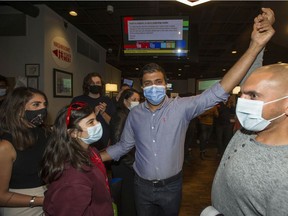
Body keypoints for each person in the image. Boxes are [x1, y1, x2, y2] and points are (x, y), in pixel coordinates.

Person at [100, 8, 275, 216]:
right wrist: (91, 157)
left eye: (158, 82)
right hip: (142, 186)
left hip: (171, 187)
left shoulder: (181, 107)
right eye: (148, 84)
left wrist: (255, 47)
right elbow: (123, 146)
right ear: (142, 87)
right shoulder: (135, 115)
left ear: (166, 85)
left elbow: (219, 91)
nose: (153, 87)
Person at [210, 62, 288, 215]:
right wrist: (256, 46)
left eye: (253, 96)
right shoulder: (249, 130)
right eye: (241, 95)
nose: (242, 102)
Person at [40, 102, 114, 216]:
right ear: (74, 133)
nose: (98, 124)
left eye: (96, 119)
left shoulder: (90, 151)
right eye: (91, 122)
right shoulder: (73, 176)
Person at [0, 87, 50, 215]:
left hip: (47, 198)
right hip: (22, 206)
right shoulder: (5, 146)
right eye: (36, 104)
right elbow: (1, 196)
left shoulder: (44, 133)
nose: (42, 109)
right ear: (18, 109)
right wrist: (40, 201)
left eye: (44, 104)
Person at [110, 88, 140, 216]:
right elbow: (119, 144)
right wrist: (133, 164)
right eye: (133, 100)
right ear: (125, 101)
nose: (137, 102)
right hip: (124, 163)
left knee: (129, 197)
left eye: (139, 100)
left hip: (128, 161)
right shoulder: (120, 115)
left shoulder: (130, 114)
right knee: (126, 197)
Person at [71, 72, 116, 151]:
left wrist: (103, 113)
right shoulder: (78, 100)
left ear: (101, 85)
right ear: (87, 86)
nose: (95, 85)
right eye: (92, 83)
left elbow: (113, 123)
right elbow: (73, 123)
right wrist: (94, 114)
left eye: (98, 83)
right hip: (83, 145)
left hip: (104, 145)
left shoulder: (107, 100)